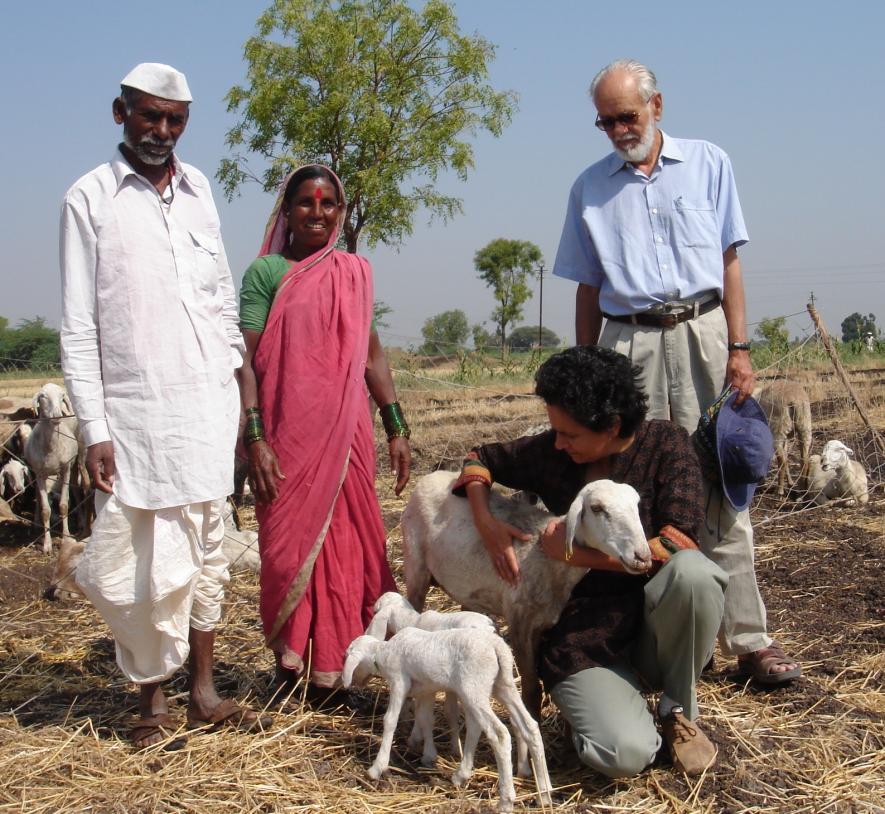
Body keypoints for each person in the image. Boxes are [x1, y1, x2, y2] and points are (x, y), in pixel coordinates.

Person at [552, 58, 801, 685]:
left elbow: (729, 261)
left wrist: (739, 347)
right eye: (604, 121)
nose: (616, 129)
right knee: (637, 489)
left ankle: (749, 640)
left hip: (703, 334)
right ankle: (678, 639)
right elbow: (588, 288)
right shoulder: (588, 187)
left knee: (721, 484)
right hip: (627, 344)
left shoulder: (710, 163)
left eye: (626, 116)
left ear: (656, 106)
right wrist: (589, 376)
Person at [60, 63, 270, 749]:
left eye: (174, 120)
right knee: (139, 565)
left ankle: (203, 691)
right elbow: (79, 325)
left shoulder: (199, 189)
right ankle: (150, 702)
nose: (161, 131)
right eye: (149, 116)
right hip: (134, 416)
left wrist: (240, 392)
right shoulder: (87, 199)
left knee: (209, 550)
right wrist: (94, 428)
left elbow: (215, 295)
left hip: (205, 406)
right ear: (119, 113)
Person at [454, 345, 727, 777]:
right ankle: (606, 705)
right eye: (555, 431)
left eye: (570, 434)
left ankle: (677, 711)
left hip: (656, 630)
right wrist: (485, 520)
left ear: (612, 425)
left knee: (695, 575)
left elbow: (677, 544)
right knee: (624, 755)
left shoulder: (666, 445)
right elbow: (479, 458)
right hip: (583, 637)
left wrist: (574, 554)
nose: (559, 443)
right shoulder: (553, 453)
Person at [237, 164, 411, 706]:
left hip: (347, 435)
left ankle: (338, 671)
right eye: (306, 203)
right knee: (287, 553)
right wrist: (255, 436)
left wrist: (395, 425)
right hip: (284, 435)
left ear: (340, 212)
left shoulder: (354, 272)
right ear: (286, 212)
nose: (317, 213)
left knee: (352, 546)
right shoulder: (266, 273)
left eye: (328, 203)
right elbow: (244, 360)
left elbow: (371, 353)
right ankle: (291, 664)